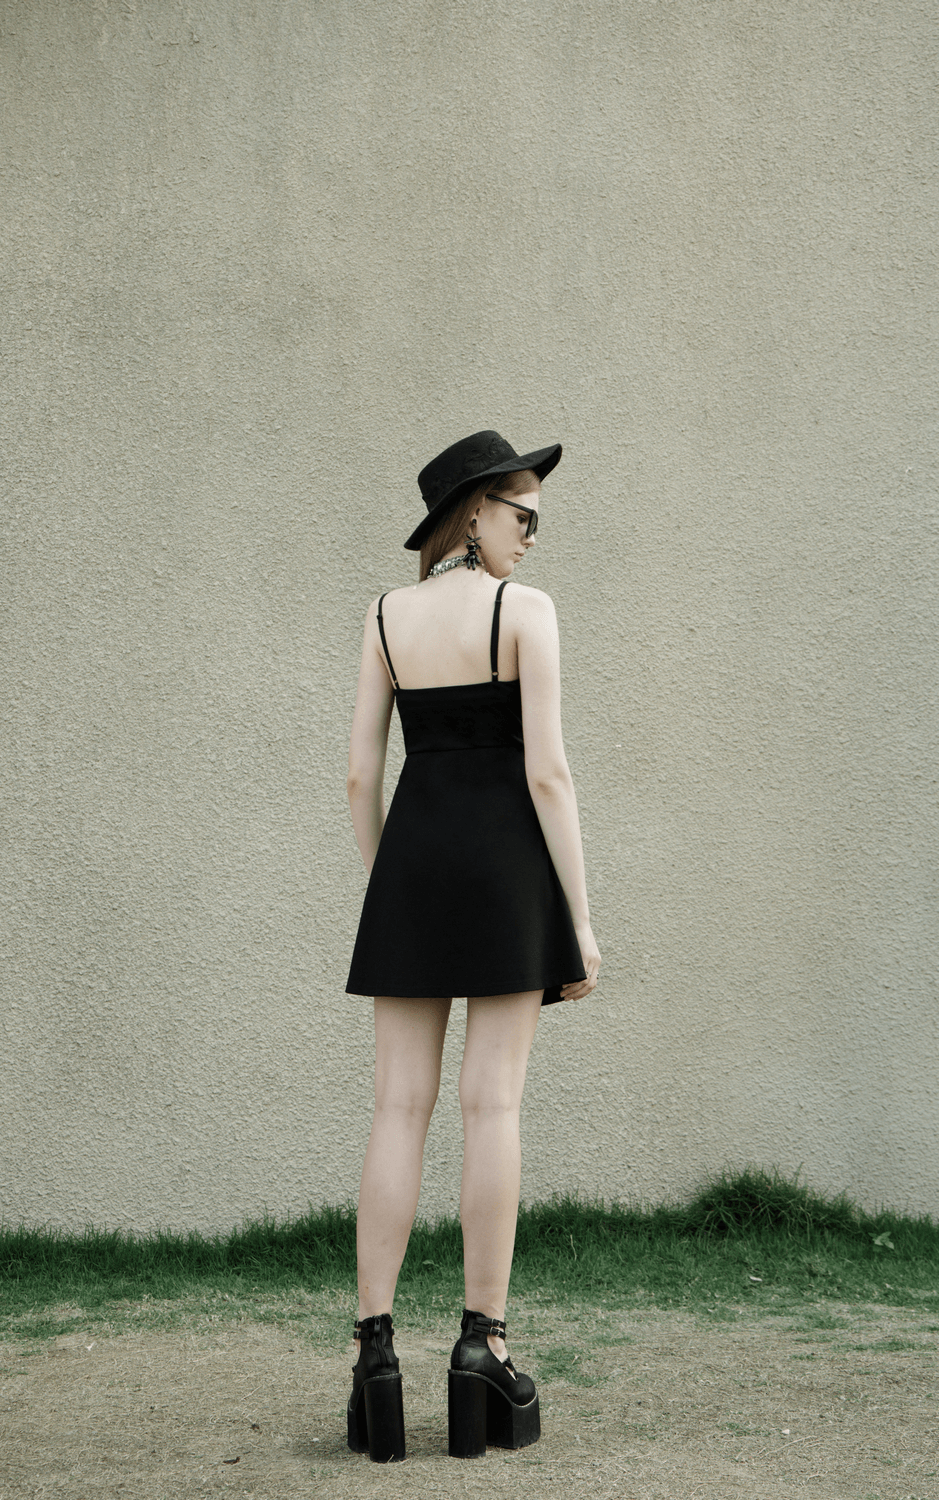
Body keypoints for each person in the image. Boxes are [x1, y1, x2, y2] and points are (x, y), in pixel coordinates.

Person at [344, 430, 601, 1461]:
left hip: (410, 867)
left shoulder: (383, 615)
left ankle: (372, 1356)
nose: (533, 539)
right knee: (491, 1101)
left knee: (394, 1108)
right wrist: (578, 919)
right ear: (475, 512)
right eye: (523, 515)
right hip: (504, 873)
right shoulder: (521, 613)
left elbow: (359, 777)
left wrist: (386, 888)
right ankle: (481, 1349)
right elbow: (549, 775)